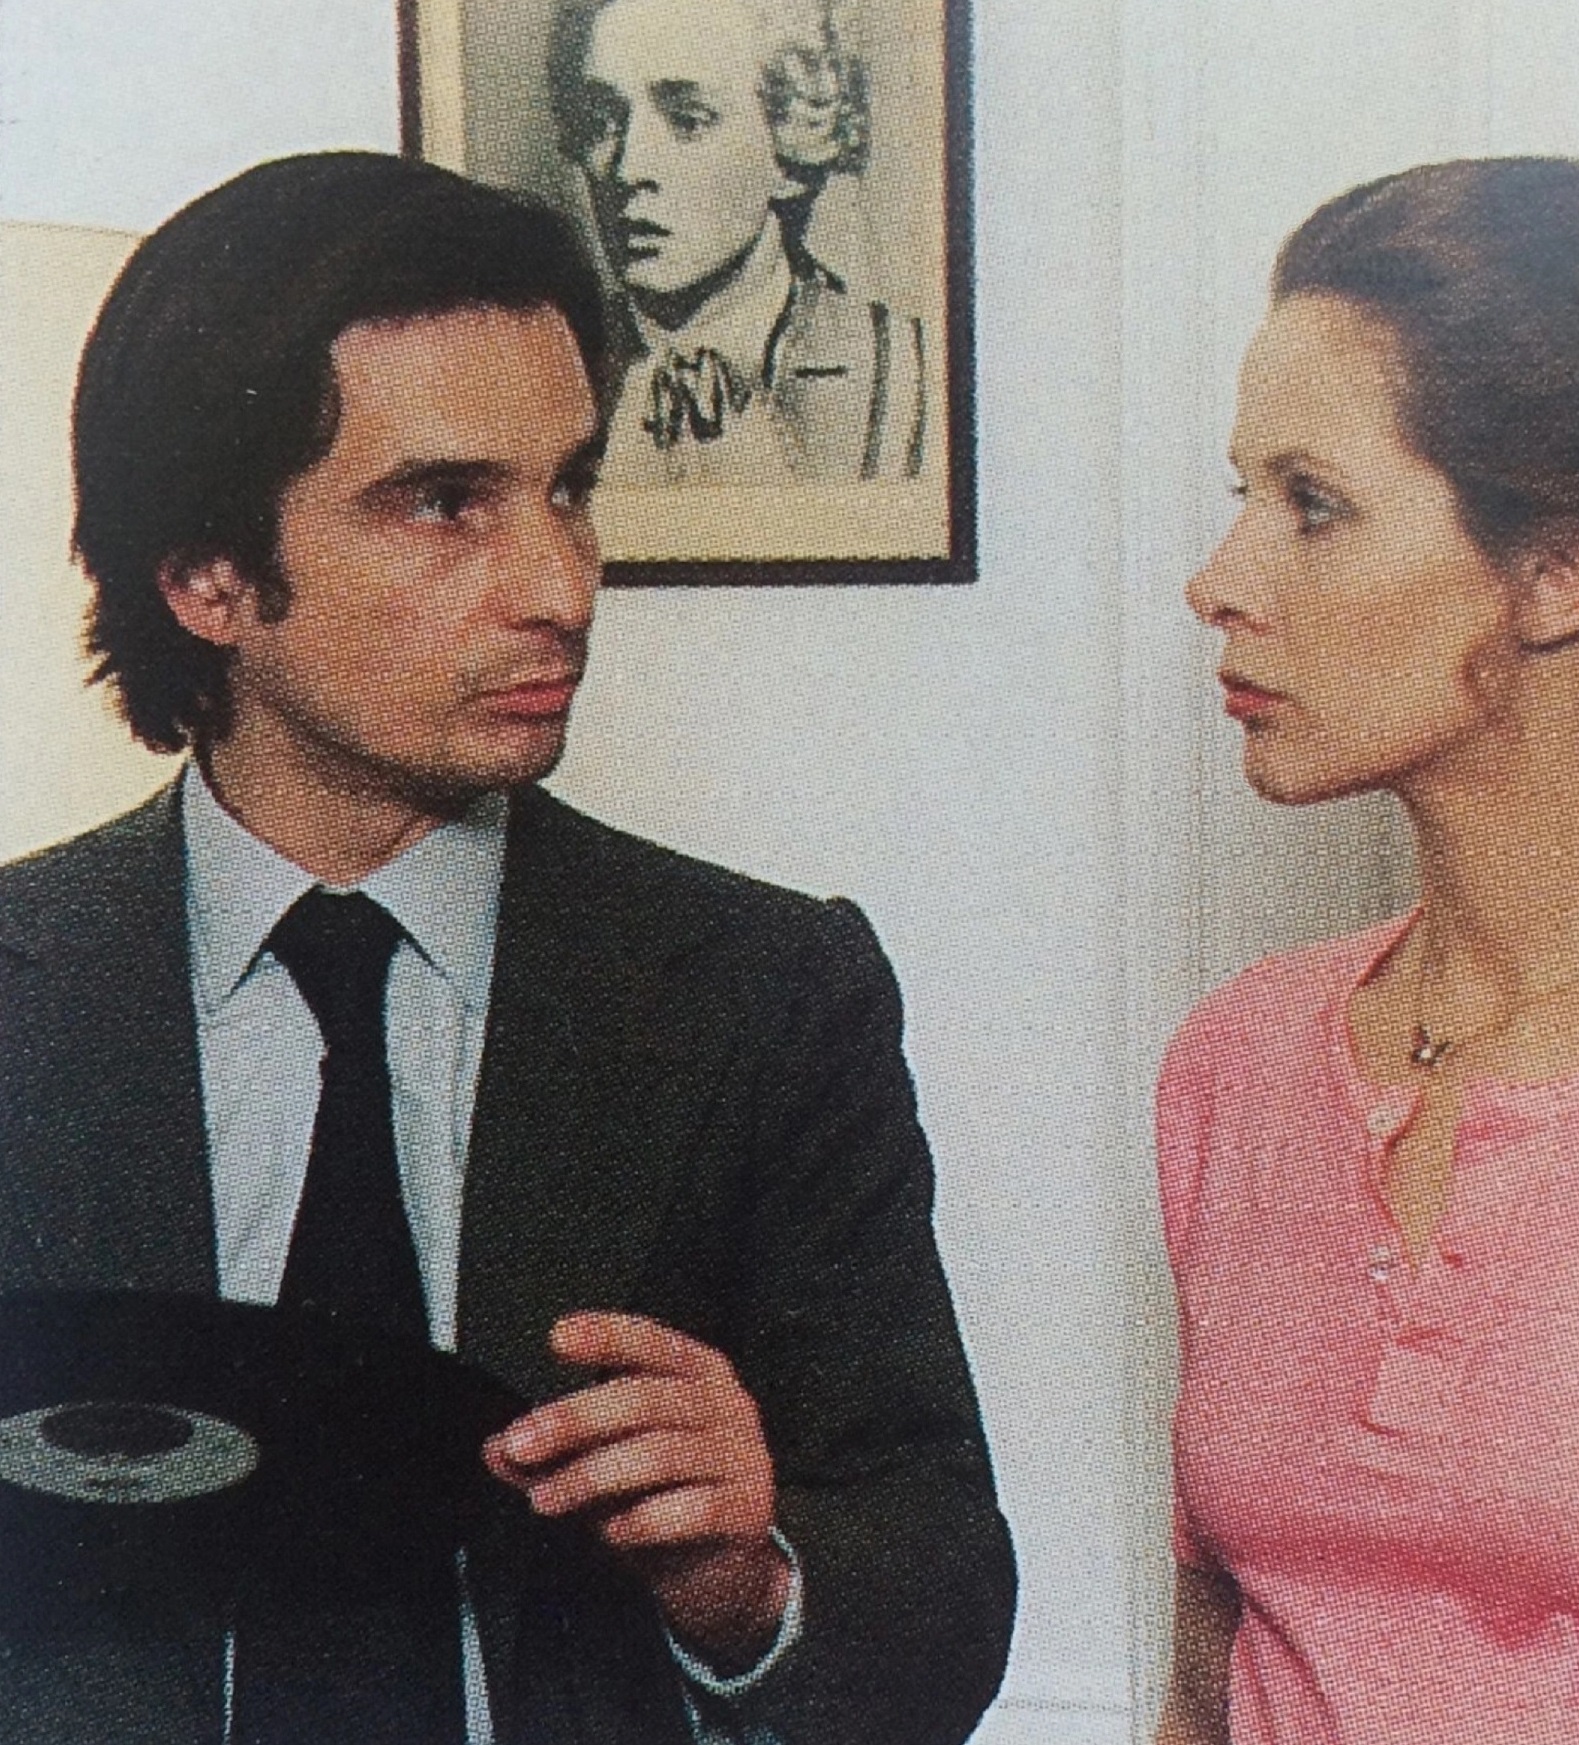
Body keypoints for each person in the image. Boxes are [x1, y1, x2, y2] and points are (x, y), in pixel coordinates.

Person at [0, 150, 1013, 1745]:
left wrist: (749, 1582)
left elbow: (939, 1615)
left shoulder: (764, 995)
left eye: (570, 489)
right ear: (207, 575)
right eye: (444, 505)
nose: (559, 585)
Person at [1156, 151, 1579, 1745]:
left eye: (1313, 505)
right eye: (1241, 496)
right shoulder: (1237, 1062)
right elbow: (1203, 1694)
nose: (1219, 582)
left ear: (1558, 571)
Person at [547, 0, 928, 486]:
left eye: (689, 120)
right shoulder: (541, 369)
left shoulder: (912, 375)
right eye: (602, 120)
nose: (629, 168)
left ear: (789, 147)